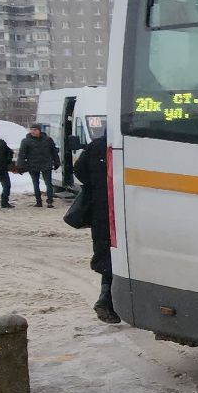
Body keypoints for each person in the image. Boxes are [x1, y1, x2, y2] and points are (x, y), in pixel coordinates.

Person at [73, 133, 119, 324]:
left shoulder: (96, 145)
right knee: (117, 257)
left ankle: (108, 302)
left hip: (100, 210)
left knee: (107, 254)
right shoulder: (123, 145)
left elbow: (78, 169)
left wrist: (95, 183)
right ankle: (106, 302)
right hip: (117, 208)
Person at [18, 124, 60, 208]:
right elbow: (22, 154)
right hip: (33, 165)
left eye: (35, 130)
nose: (33, 131)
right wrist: (20, 166)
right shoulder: (26, 141)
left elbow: (54, 152)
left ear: (39, 130)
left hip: (46, 164)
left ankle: (50, 201)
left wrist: (56, 162)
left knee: (48, 183)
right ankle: (38, 202)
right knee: (36, 184)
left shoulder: (48, 140)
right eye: (31, 129)